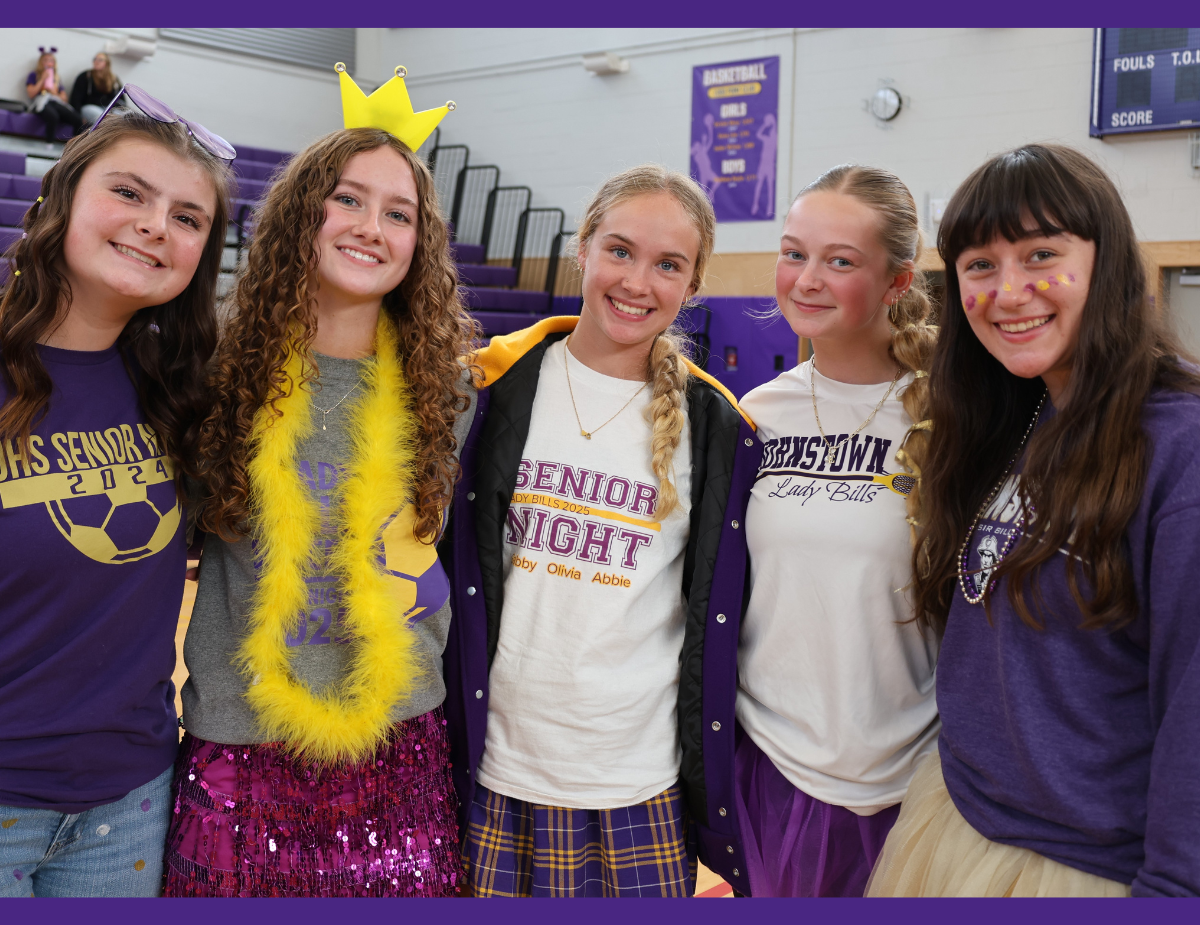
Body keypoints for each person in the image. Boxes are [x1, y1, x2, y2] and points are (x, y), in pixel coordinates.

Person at [867, 143, 1200, 897]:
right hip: (960, 823)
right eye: (980, 265)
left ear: (1107, 262)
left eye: (1041, 255)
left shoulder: (1177, 445)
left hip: (1089, 868)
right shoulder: (1020, 418)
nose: (1009, 291)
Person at [165, 124, 477, 897]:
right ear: (303, 212)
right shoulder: (214, 376)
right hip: (242, 742)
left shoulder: (453, 393)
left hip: (398, 741)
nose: (372, 227)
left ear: (420, 244)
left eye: (399, 214)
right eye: (349, 200)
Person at [441, 164, 762, 897]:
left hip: (637, 786)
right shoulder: (486, 387)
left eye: (668, 265)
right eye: (619, 250)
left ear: (693, 283)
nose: (637, 282)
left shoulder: (718, 429)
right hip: (493, 769)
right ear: (583, 247)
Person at [0, 100, 231, 897]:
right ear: (64, 198)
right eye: (129, 192)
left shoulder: (180, 392)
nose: (155, 225)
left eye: (188, 217)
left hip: (130, 802)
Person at [733, 166, 938, 897]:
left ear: (897, 282)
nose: (808, 279)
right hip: (771, 767)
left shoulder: (947, 416)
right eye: (794, 253)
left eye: (840, 261)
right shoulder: (757, 413)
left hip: (912, 776)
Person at [25, 48, 83, 142]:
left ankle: (75, 144)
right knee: (53, 116)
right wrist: (42, 79)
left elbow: (64, 98)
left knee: (77, 118)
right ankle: (49, 143)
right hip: (41, 102)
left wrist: (54, 92)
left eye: (51, 60)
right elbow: (31, 94)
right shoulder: (34, 75)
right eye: (45, 60)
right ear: (41, 62)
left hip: (54, 100)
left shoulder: (56, 77)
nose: (48, 62)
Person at [71, 52, 123, 125]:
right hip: (89, 106)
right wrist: (78, 116)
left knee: (121, 118)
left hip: (108, 107)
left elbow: (120, 98)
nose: (96, 61)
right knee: (103, 118)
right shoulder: (86, 76)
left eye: (100, 60)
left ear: (106, 63)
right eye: (95, 59)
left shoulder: (113, 79)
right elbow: (75, 98)